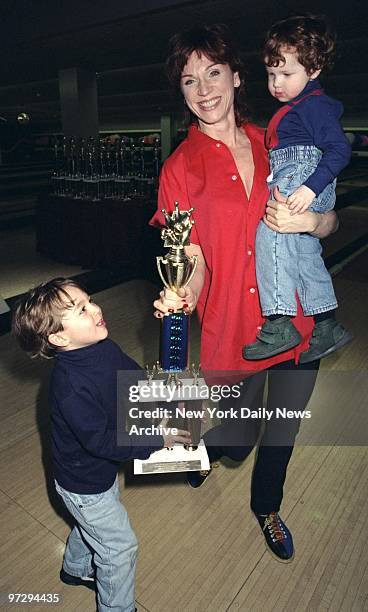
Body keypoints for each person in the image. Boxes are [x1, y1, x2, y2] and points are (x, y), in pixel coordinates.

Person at [150, 24, 340, 563]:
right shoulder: (178, 168)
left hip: (297, 323)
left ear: (236, 77)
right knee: (237, 439)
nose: (204, 89)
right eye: (189, 80)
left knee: (280, 436)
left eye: (213, 73)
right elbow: (189, 257)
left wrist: (315, 221)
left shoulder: (278, 140)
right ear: (182, 92)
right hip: (234, 331)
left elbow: (330, 225)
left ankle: (268, 507)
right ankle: (207, 451)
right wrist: (178, 295)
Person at [12, 277, 191, 612]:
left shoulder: (102, 348)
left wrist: (167, 400)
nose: (96, 309)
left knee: (92, 524)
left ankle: (75, 569)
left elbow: (133, 379)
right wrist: (158, 439)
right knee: (119, 547)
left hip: (96, 476)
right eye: (81, 310)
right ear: (59, 337)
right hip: (83, 482)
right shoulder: (70, 388)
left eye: (90, 300)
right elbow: (105, 443)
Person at [243, 14, 352, 362]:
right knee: (304, 254)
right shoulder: (296, 107)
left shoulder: (314, 105)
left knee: (270, 234)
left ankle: (278, 322)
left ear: (314, 70)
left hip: (303, 175)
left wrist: (308, 188)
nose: (276, 83)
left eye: (286, 74)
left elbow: (339, 150)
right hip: (296, 173)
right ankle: (325, 323)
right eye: (271, 74)